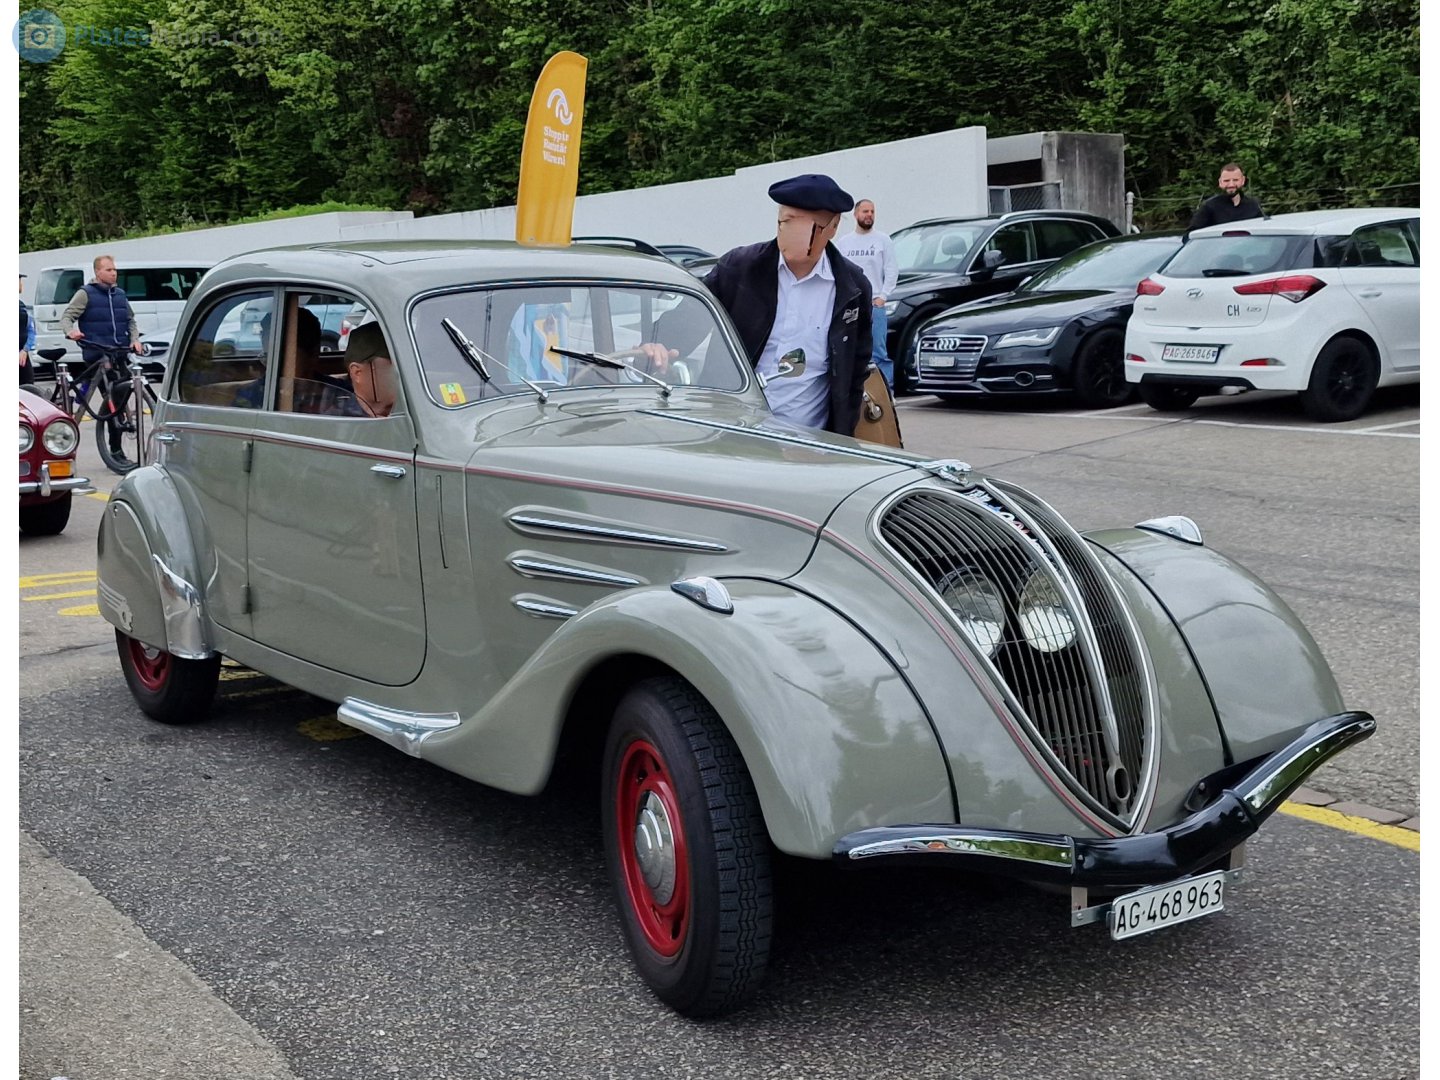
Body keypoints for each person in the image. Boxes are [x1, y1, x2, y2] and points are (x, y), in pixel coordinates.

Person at [683, 173, 872, 433]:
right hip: (735, 431)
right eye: (785, 221)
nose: (790, 233)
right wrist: (660, 348)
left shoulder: (852, 288)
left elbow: (856, 366)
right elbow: (688, 320)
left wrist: (842, 432)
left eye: (804, 226)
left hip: (810, 441)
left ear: (832, 227)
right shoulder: (740, 268)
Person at [60, 255, 144, 464]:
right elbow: (67, 316)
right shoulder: (85, 294)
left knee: (121, 398)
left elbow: (130, 320)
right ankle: (116, 451)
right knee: (113, 401)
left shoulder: (120, 294)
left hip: (120, 352)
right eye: (108, 270)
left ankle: (121, 445)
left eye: (114, 269)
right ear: (97, 272)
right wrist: (71, 332)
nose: (113, 273)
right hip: (98, 353)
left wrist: (135, 340)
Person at [834, 199, 899, 389]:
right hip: (851, 305)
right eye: (865, 211)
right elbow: (838, 272)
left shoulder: (883, 240)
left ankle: (887, 392)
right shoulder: (844, 243)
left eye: (872, 211)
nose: (869, 215)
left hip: (874, 305)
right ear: (856, 214)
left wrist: (883, 296)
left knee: (878, 352)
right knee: (851, 350)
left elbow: (891, 270)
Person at [336, 322, 397, 417]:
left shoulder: (417, 410)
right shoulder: (341, 422)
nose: (403, 371)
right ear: (357, 373)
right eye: (392, 363)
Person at [1188, 163, 1263, 232]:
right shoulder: (1209, 207)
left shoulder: (1253, 205)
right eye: (1226, 181)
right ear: (1220, 182)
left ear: (1242, 181)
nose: (1231, 184)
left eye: (1235, 180)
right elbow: (1191, 235)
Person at [19, 274, 35, 386]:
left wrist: (25, 350)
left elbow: (31, 329)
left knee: (28, 386)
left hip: (22, 354)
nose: (21, 284)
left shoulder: (21, 305)